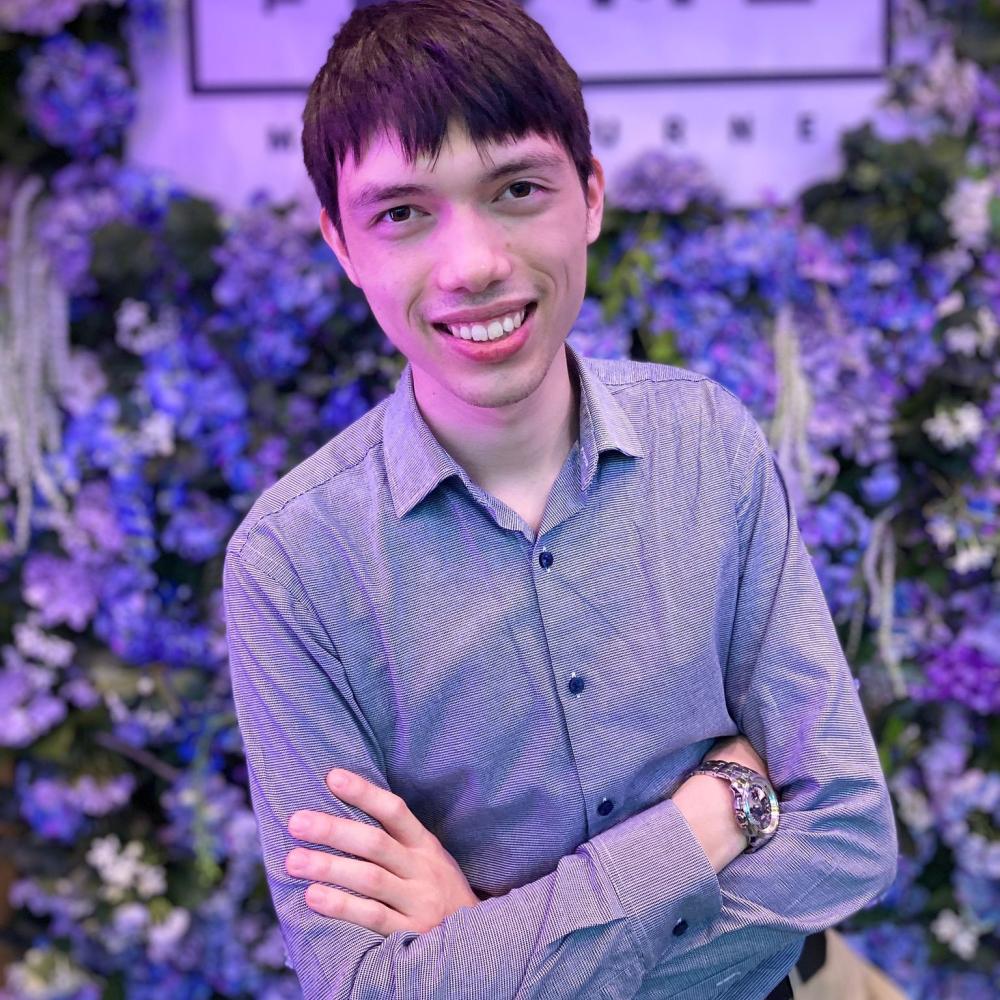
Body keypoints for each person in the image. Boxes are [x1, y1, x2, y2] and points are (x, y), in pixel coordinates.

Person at [221, 1, 899, 998]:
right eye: (403, 213)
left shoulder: (705, 441)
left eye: (516, 189)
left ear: (588, 195)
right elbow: (364, 984)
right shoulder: (293, 563)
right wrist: (705, 823)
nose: (474, 265)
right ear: (340, 243)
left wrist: (497, 952)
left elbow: (845, 832)